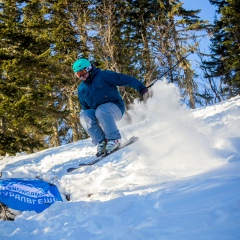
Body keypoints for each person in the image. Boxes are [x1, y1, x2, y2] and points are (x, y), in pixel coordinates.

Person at [72, 58, 149, 156]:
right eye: (78, 74)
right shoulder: (81, 89)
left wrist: (141, 88)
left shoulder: (104, 76)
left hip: (115, 108)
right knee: (84, 115)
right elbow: (86, 109)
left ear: (89, 68)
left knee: (101, 110)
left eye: (82, 72)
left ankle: (114, 139)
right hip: (98, 113)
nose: (81, 76)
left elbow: (124, 79)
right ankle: (101, 142)